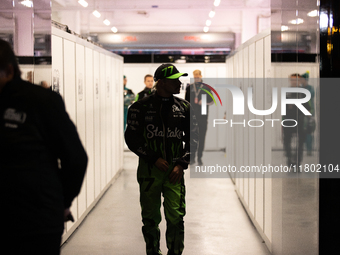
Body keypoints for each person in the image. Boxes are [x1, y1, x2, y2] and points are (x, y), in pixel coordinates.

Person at [0, 39, 88, 254]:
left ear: (9, 71)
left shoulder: (42, 101)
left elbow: (75, 158)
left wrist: (62, 201)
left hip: (35, 220)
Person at [125, 63, 198, 255]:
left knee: (176, 217)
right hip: (149, 172)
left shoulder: (184, 107)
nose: (180, 84)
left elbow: (194, 138)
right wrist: (153, 158)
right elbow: (131, 138)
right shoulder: (139, 107)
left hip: (175, 172)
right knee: (150, 218)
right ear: (162, 82)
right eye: (175, 80)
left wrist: (182, 164)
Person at [185, 69, 213, 165]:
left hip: (203, 117)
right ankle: (192, 158)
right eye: (195, 76)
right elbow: (185, 103)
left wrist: (204, 102)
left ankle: (200, 158)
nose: (196, 78)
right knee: (192, 138)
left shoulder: (206, 88)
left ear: (201, 76)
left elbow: (212, 101)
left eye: (198, 76)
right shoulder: (189, 88)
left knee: (201, 138)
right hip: (192, 118)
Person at [282, 73, 311, 166]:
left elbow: (308, 107)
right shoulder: (287, 92)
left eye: (296, 80)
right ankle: (289, 158)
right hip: (288, 120)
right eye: (292, 80)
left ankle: (298, 160)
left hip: (300, 120)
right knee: (286, 140)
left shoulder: (304, 92)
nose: (294, 82)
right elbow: (284, 108)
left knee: (301, 141)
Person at [300, 71, 316, 156]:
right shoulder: (300, 88)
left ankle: (309, 149)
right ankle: (304, 148)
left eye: (301, 79)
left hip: (309, 112)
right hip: (301, 113)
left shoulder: (310, 88)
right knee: (303, 131)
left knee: (309, 131)